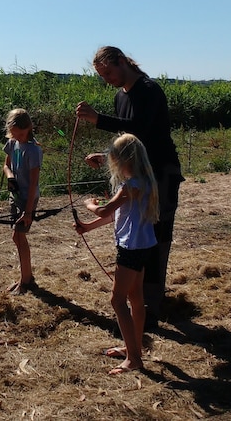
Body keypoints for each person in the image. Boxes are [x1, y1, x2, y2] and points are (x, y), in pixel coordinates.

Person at [76, 45, 183, 328]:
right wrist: (109, 155)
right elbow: (129, 141)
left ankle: (151, 304)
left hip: (161, 175)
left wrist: (98, 119)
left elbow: (141, 129)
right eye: (102, 76)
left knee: (156, 237)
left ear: (122, 61)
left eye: (109, 72)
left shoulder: (149, 90)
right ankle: (140, 303)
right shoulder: (120, 96)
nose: (107, 79)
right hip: (138, 176)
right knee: (136, 235)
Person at [74, 133, 158, 375]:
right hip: (142, 247)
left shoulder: (131, 186)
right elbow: (114, 215)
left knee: (117, 300)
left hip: (130, 250)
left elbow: (104, 210)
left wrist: (89, 205)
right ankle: (133, 348)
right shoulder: (142, 182)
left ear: (125, 160)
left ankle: (134, 359)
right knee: (135, 298)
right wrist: (87, 227)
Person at [2, 108, 42, 295]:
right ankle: (26, 277)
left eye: (21, 134)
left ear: (29, 128)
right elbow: (6, 165)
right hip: (16, 196)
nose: (17, 137)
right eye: (14, 134)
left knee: (19, 236)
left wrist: (28, 211)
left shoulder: (34, 151)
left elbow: (34, 183)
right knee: (16, 236)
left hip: (28, 199)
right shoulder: (12, 143)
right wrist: (10, 176)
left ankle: (26, 280)